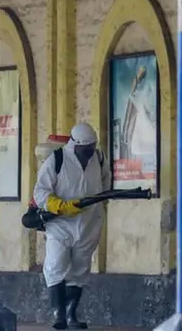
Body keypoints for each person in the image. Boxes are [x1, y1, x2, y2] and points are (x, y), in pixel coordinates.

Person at [33, 122, 112, 330]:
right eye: (86, 150)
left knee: (80, 269)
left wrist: (100, 204)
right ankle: (58, 314)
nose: (89, 154)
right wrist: (58, 205)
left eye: (92, 148)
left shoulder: (99, 158)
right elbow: (40, 192)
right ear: (74, 145)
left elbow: (106, 182)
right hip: (61, 223)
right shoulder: (57, 159)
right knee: (55, 264)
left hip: (89, 224)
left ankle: (71, 314)